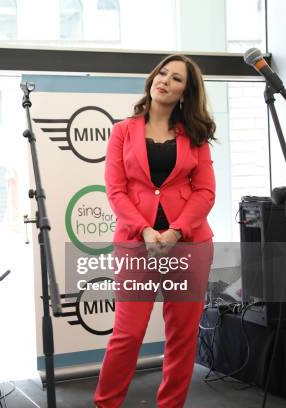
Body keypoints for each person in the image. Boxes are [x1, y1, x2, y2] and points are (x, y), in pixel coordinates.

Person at [95, 54, 216, 407]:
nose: (165, 80)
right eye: (162, 73)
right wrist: (145, 230)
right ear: (152, 79)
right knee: (127, 334)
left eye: (176, 78)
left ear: (185, 93)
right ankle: (106, 403)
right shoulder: (123, 131)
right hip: (137, 245)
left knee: (181, 338)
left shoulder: (194, 135)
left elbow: (205, 191)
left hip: (189, 246)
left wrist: (177, 231)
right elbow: (115, 190)